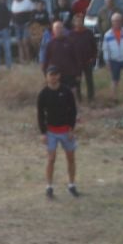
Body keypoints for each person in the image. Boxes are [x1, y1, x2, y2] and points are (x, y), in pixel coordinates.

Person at [36, 65, 82, 200]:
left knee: (71, 158)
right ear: (47, 77)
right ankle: (49, 187)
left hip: (66, 131)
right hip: (51, 131)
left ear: (59, 76)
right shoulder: (43, 94)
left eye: (56, 74)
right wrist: (43, 133)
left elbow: (73, 111)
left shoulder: (66, 91)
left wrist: (71, 129)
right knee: (51, 159)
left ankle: (72, 185)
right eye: (51, 74)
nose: (53, 77)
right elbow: (40, 115)